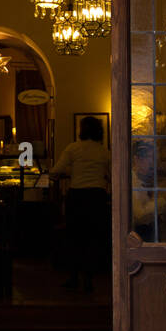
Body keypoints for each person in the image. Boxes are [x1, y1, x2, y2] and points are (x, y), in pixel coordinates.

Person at [51, 116, 111, 292]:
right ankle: (89, 279)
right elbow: (112, 174)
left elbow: (56, 171)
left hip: (77, 196)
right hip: (97, 197)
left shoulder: (73, 148)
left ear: (82, 130)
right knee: (93, 238)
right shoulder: (103, 151)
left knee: (75, 237)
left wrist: (71, 172)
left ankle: (74, 277)